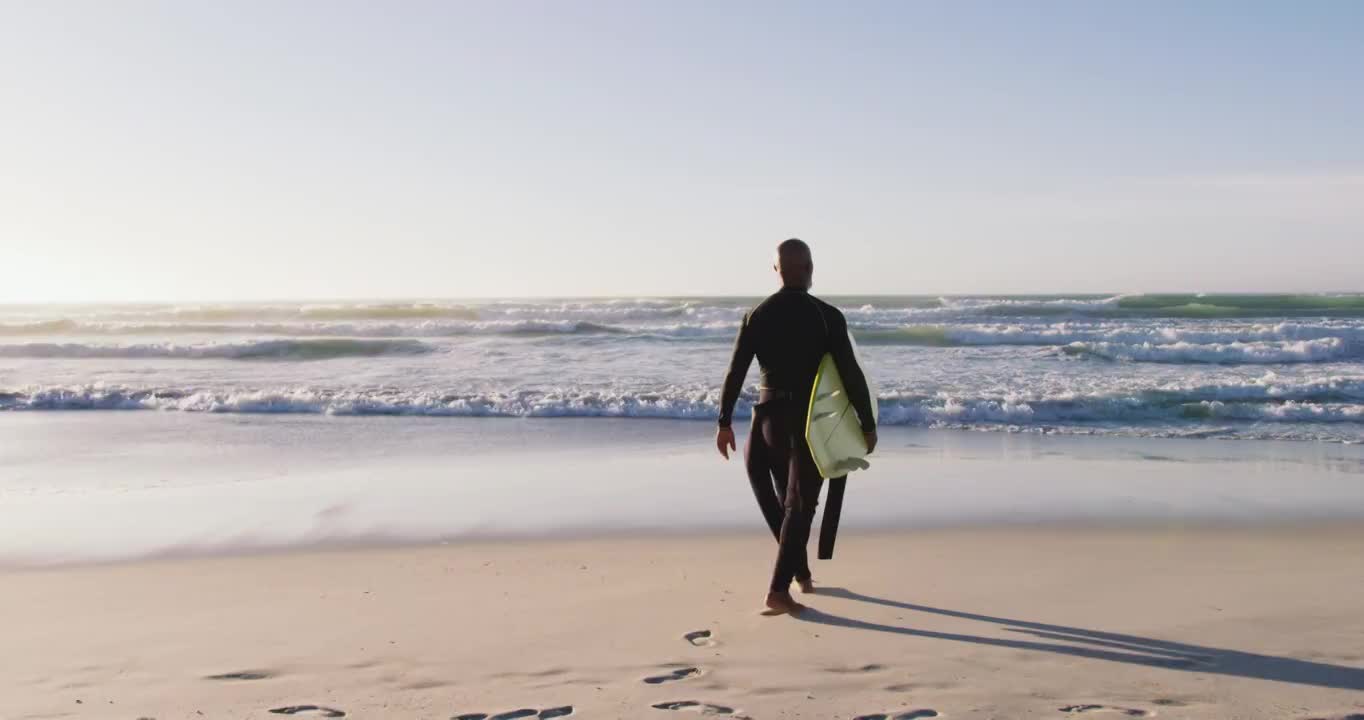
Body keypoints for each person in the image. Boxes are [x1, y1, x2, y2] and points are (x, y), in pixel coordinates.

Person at [715, 239, 877, 615]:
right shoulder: (827, 316)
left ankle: (800, 572)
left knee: (781, 506)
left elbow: (735, 371)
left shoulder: (757, 315)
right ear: (810, 268)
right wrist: (866, 423)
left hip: (764, 421)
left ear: (777, 271)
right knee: (799, 507)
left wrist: (723, 422)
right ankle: (777, 590)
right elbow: (851, 375)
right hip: (805, 425)